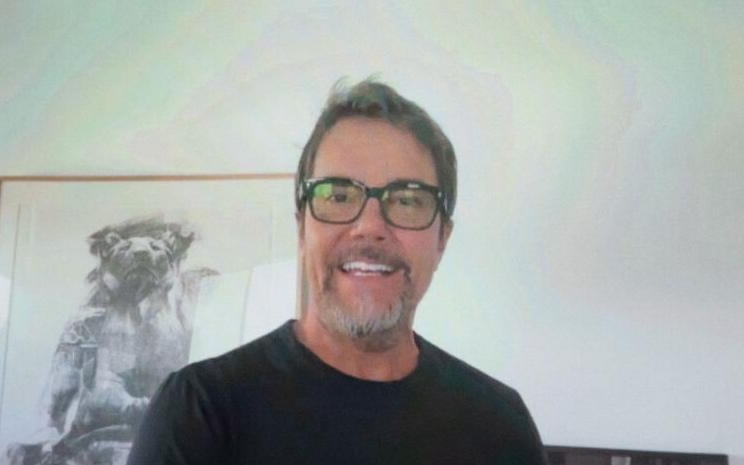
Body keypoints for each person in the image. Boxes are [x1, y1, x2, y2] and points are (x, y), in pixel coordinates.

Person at [127, 79, 547, 465]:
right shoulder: (200, 414)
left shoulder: (500, 427)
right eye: (339, 195)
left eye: (407, 200)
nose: (370, 226)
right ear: (302, 228)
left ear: (442, 240)